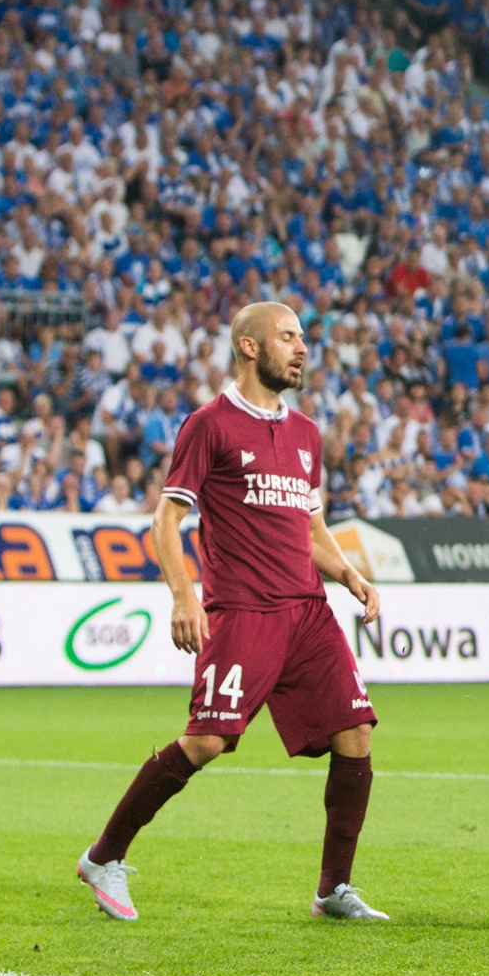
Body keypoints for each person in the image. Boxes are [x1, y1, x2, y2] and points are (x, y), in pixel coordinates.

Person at [76, 302, 388, 923]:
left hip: (307, 609)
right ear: (250, 347)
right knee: (208, 740)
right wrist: (184, 595)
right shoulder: (210, 424)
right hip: (243, 610)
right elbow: (166, 518)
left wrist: (349, 573)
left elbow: (309, 525)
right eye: (287, 337)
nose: (302, 348)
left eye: (303, 337)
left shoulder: (305, 434)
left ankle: (333, 890)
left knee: (356, 733)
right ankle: (103, 857)